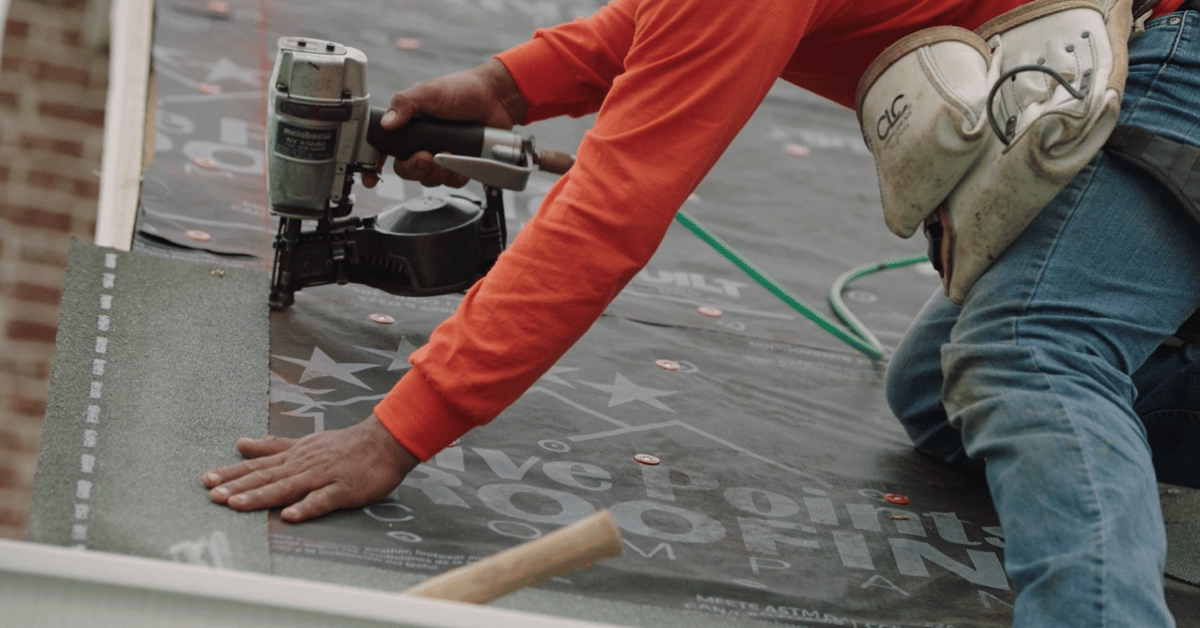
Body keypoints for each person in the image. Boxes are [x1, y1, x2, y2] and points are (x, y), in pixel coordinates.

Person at [202, 0, 1199, 625]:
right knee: (940, 395)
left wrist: (395, 434)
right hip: (1136, 46)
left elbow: (609, 215)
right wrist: (509, 86)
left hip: (1170, 49)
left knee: (1028, 354)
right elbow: (675, 21)